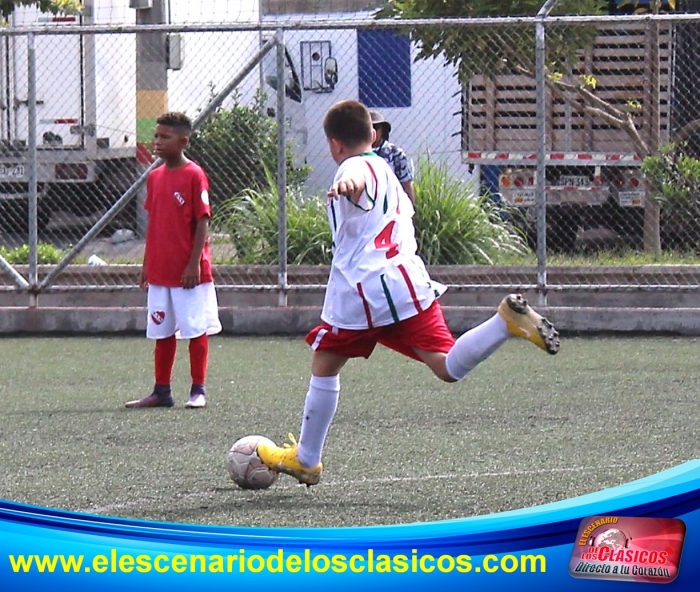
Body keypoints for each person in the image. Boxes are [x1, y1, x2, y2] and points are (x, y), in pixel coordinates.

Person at [257, 100, 559, 485]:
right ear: (372, 135)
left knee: (325, 364)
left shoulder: (354, 167)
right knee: (446, 366)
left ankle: (307, 460)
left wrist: (347, 184)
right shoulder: (385, 167)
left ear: (334, 144)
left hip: (364, 291)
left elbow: (354, 179)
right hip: (408, 282)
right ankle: (503, 323)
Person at [125, 112, 222, 410]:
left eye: (164, 137)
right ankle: (161, 391)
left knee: (195, 330)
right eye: (156, 136)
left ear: (183, 141)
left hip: (188, 272)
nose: (157, 142)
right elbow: (155, 224)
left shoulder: (194, 175)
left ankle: (198, 390)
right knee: (161, 331)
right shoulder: (154, 177)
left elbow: (202, 221)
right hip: (160, 271)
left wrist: (194, 263)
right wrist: (146, 264)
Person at [369, 110, 416, 203]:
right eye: (369, 127)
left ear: (383, 130)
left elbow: (406, 183)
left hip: (391, 205)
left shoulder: (395, 153)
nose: (372, 131)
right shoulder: (356, 153)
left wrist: (412, 207)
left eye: (376, 127)